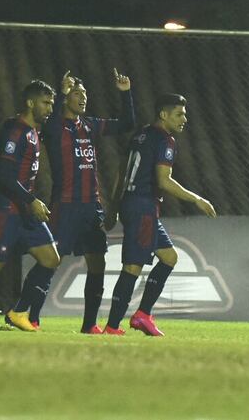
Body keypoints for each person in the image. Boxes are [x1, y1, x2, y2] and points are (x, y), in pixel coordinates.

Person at [102, 93, 216, 336]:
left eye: (184, 114)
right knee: (132, 267)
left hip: (133, 205)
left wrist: (114, 207)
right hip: (142, 207)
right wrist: (197, 199)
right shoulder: (165, 140)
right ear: (163, 115)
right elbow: (164, 181)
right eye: (179, 114)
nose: (184, 118)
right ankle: (112, 327)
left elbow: (122, 172)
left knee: (169, 257)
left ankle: (143, 314)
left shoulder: (141, 134)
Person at [31, 69, 134, 334]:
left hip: (91, 207)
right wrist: (62, 90)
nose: (83, 98)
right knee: (50, 260)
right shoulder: (55, 126)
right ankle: (29, 316)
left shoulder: (88, 124)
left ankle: (89, 325)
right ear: (65, 99)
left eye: (85, 94)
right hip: (65, 205)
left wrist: (125, 94)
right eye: (77, 93)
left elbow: (126, 123)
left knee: (97, 263)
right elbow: (50, 123)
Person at [0, 80, 57, 330]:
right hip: (6, 208)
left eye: (52, 103)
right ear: (30, 103)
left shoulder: (34, 131)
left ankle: (17, 313)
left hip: (25, 210)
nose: (50, 108)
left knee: (50, 258)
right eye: (45, 103)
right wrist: (31, 200)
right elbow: (4, 175)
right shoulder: (15, 131)